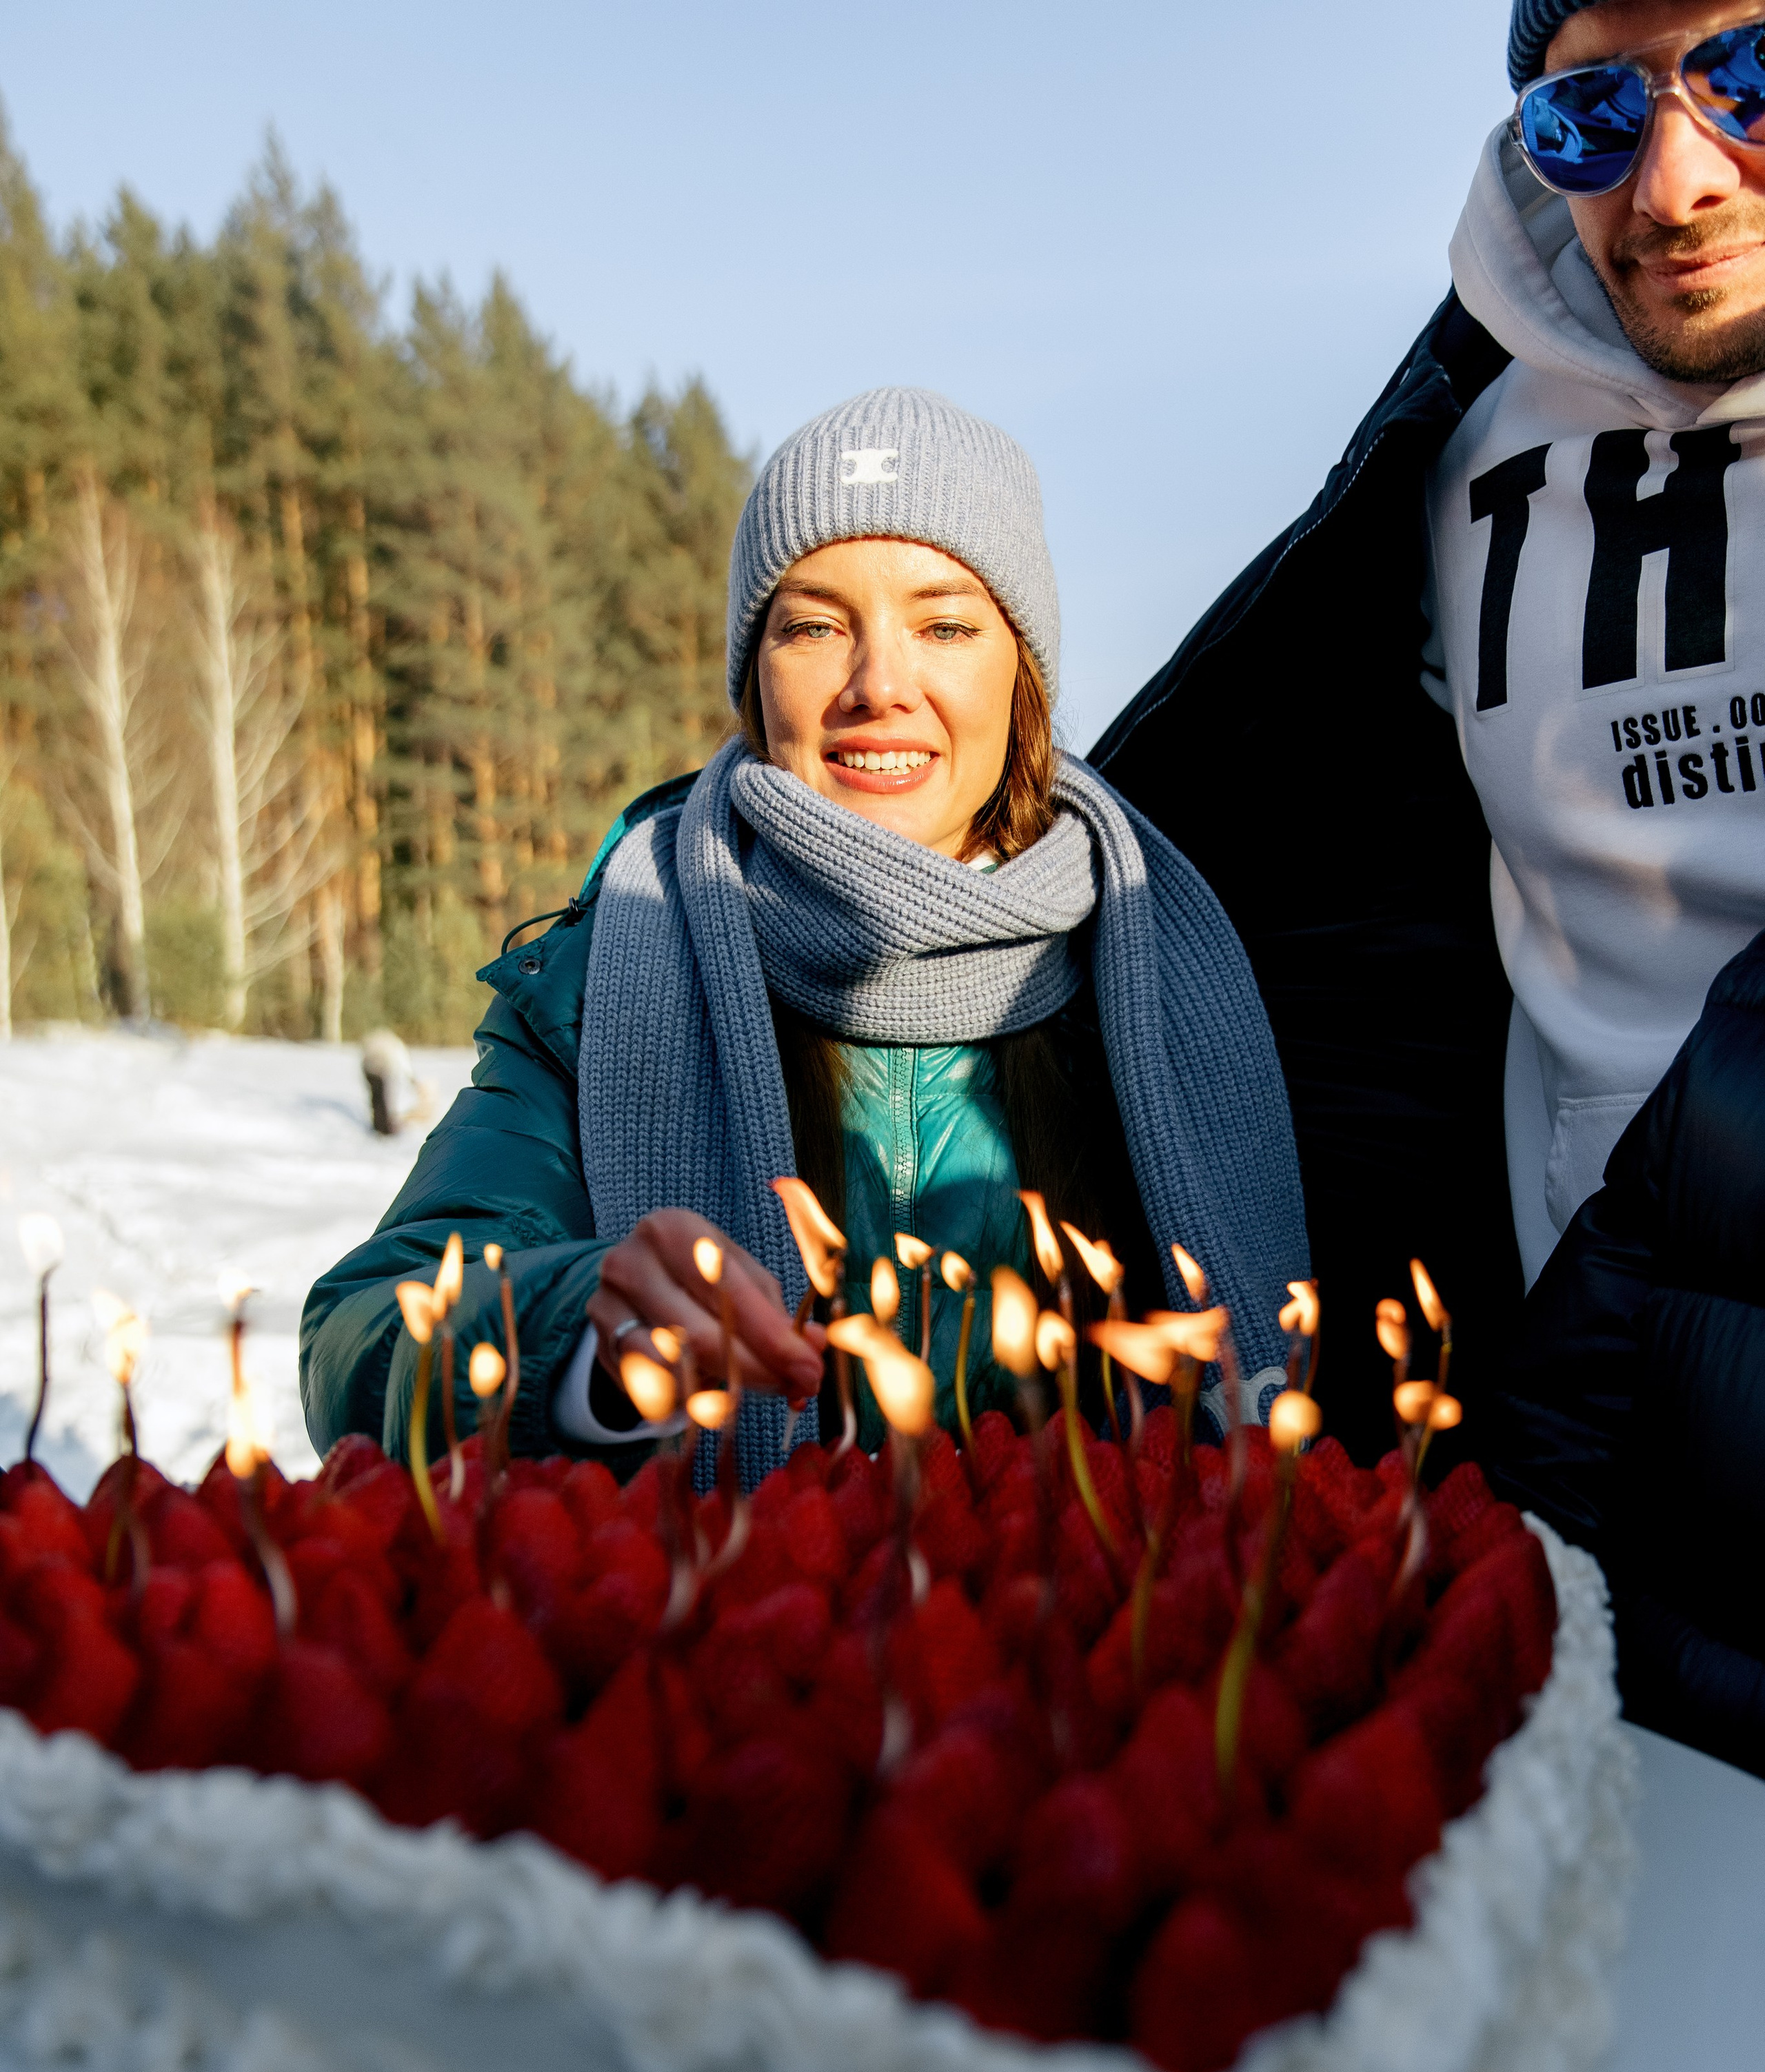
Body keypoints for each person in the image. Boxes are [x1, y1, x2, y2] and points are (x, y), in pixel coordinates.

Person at [301, 389, 1309, 1484]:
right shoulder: (611, 976)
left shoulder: (1171, 975)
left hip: (1111, 1638)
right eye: (816, 626)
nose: (879, 686)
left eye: (946, 626)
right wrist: (568, 1332)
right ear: (756, 676)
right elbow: (360, 1341)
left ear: (1021, 671)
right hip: (731, 1639)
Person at [1093, 0, 1765, 1485]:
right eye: (1587, 115)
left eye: (1746, 73)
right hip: (1589, 1424)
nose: (1673, 183)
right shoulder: (1452, 470)